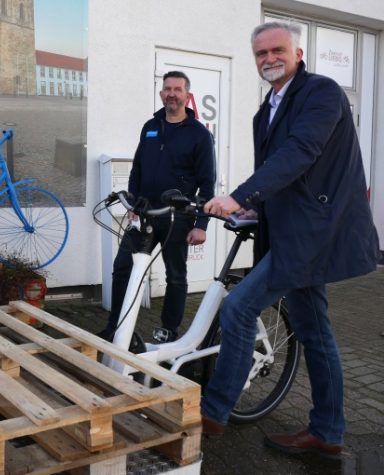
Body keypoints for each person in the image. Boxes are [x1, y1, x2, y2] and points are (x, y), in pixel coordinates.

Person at [201, 22, 380, 457]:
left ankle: (213, 412)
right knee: (315, 333)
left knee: (239, 308)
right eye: (260, 53)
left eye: (277, 50)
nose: (268, 59)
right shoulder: (266, 109)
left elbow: (302, 152)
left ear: (297, 53)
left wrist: (240, 194)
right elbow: (286, 173)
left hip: (314, 233)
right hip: (289, 233)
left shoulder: (321, 92)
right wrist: (255, 207)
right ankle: (328, 432)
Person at [101, 71, 215, 343]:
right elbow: (138, 168)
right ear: (161, 93)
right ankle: (115, 327)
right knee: (123, 268)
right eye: (167, 89)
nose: (171, 94)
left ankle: (168, 331)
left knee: (175, 275)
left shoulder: (199, 134)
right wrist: (133, 200)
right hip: (145, 214)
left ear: (187, 95)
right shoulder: (151, 126)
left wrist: (201, 224)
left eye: (177, 89)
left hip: (178, 218)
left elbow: (207, 184)